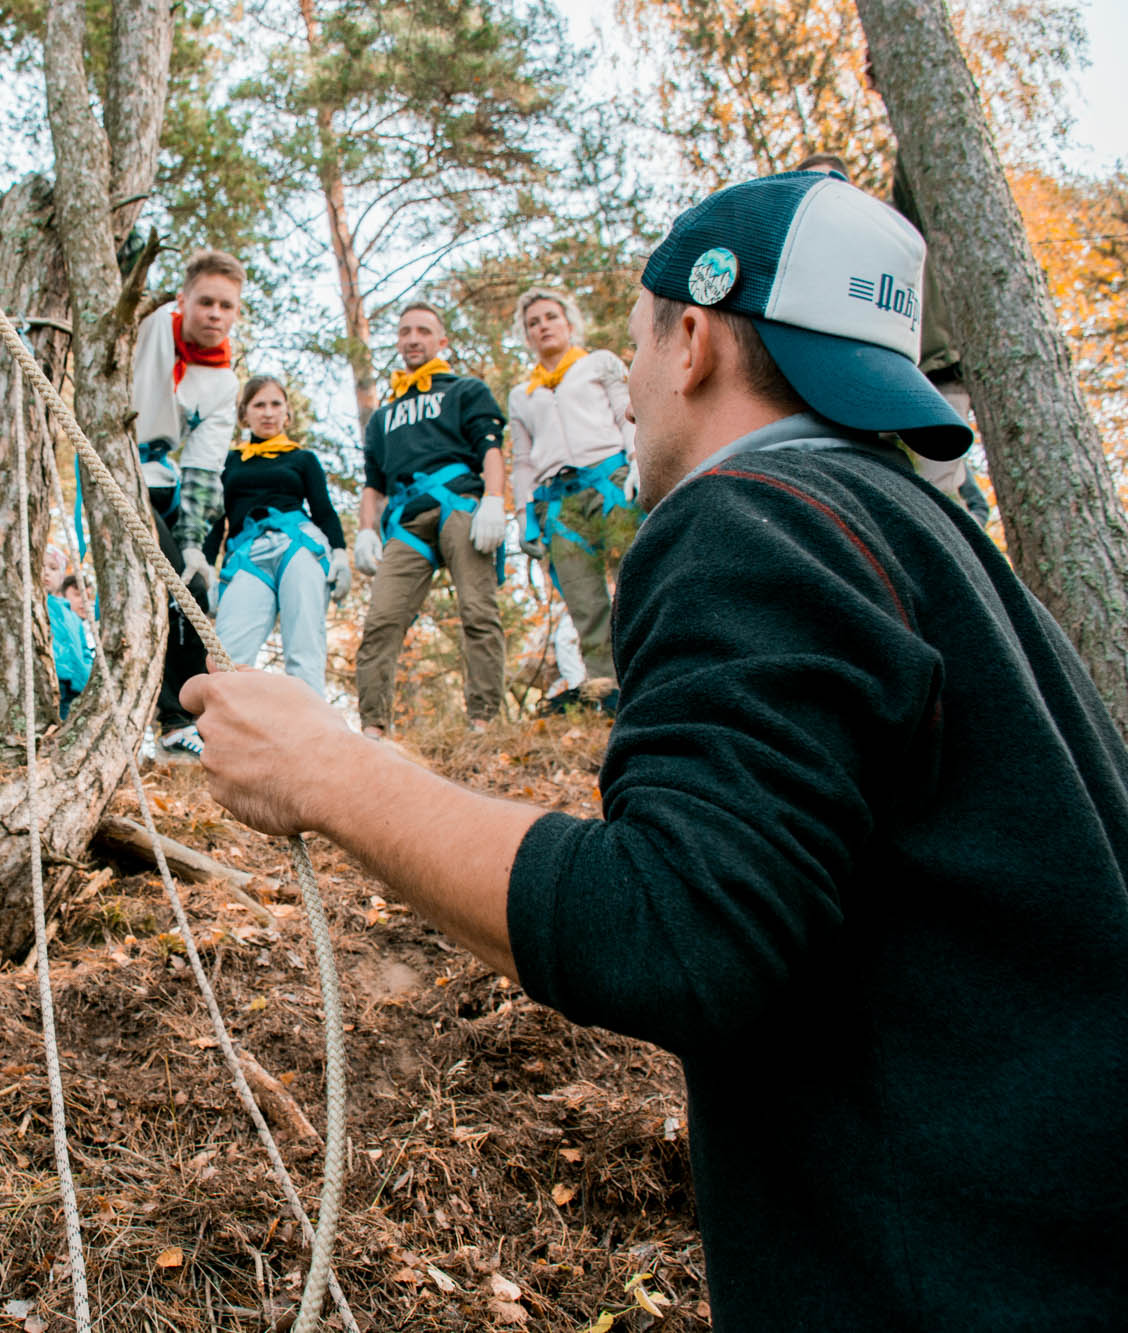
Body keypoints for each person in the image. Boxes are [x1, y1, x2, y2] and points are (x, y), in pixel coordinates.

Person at [183, 171, 1128, 1329]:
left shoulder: (751, 517)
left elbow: (677, 928)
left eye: (631, 346)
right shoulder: (932, 541)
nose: (626, 394)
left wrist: (328, 770)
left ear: (690, 342)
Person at [797, 152, 992, 526]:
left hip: (931, 373)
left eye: (834, 180)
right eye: (814, 185)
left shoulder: (893, 227)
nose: (827, 190)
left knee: (942, 495)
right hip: (870, 385)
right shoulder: (813, 254)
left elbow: (913, 182)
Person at [352, 302, 507, 734]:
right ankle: (373, 731)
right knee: (381, 620)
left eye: (423, 330)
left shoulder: (465, 390)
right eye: (405, 331)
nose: (413, 338)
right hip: (405, 523)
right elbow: (373, 483)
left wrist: (495, 500)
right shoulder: (383, 417)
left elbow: (490, 448)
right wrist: (365, 531)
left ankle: (484, 723)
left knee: (478, 610)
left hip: (459, 505)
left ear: (442, 341)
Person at [130, 249, 243, 758]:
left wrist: (196, 544)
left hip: (167, 478)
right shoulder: (151, 324)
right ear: (182, 300)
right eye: (206, 302)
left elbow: (203, 470)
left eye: (227, 306)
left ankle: (183, 723)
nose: (216, 315)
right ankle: (164, 712)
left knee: (191, 583)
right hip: (119, 465)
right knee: (158, 581)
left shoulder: (223, 381)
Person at [506, 287, 640, 712]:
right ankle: (609, 696)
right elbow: (523, 460)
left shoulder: (598, 364)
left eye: (550, 317)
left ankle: (659, 675)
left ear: (568, 322)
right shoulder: (521, 394)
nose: (542, 326)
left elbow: (626, 415)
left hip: (612, 484)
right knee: (586, 604)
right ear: (525, 335)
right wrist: (525, 513)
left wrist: (640, 461)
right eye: (533, 323)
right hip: (559, 505)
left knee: (638, 582)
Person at [205, 375, 347, 697]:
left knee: (304, 644)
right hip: (246, 553)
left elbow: (324, 509)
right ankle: (227, 733)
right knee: (227, 654)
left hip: (298, 543)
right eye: (259, 405)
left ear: (287, 413)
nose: (268, 413)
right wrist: (206, 566)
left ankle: (311, 732)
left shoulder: (302, 459)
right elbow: (217, 520)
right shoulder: (229, 462)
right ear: (244, 414)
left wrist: (339, 553)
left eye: (275, 404)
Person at [47, 571, 94, 718]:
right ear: (62, 594)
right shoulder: (51, 607)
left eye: (87, 597)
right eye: (78, 595)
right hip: (57, 679)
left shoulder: (79, 625)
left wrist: (86, 671)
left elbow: (85, 652)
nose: (84, 602)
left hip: (76, 686)